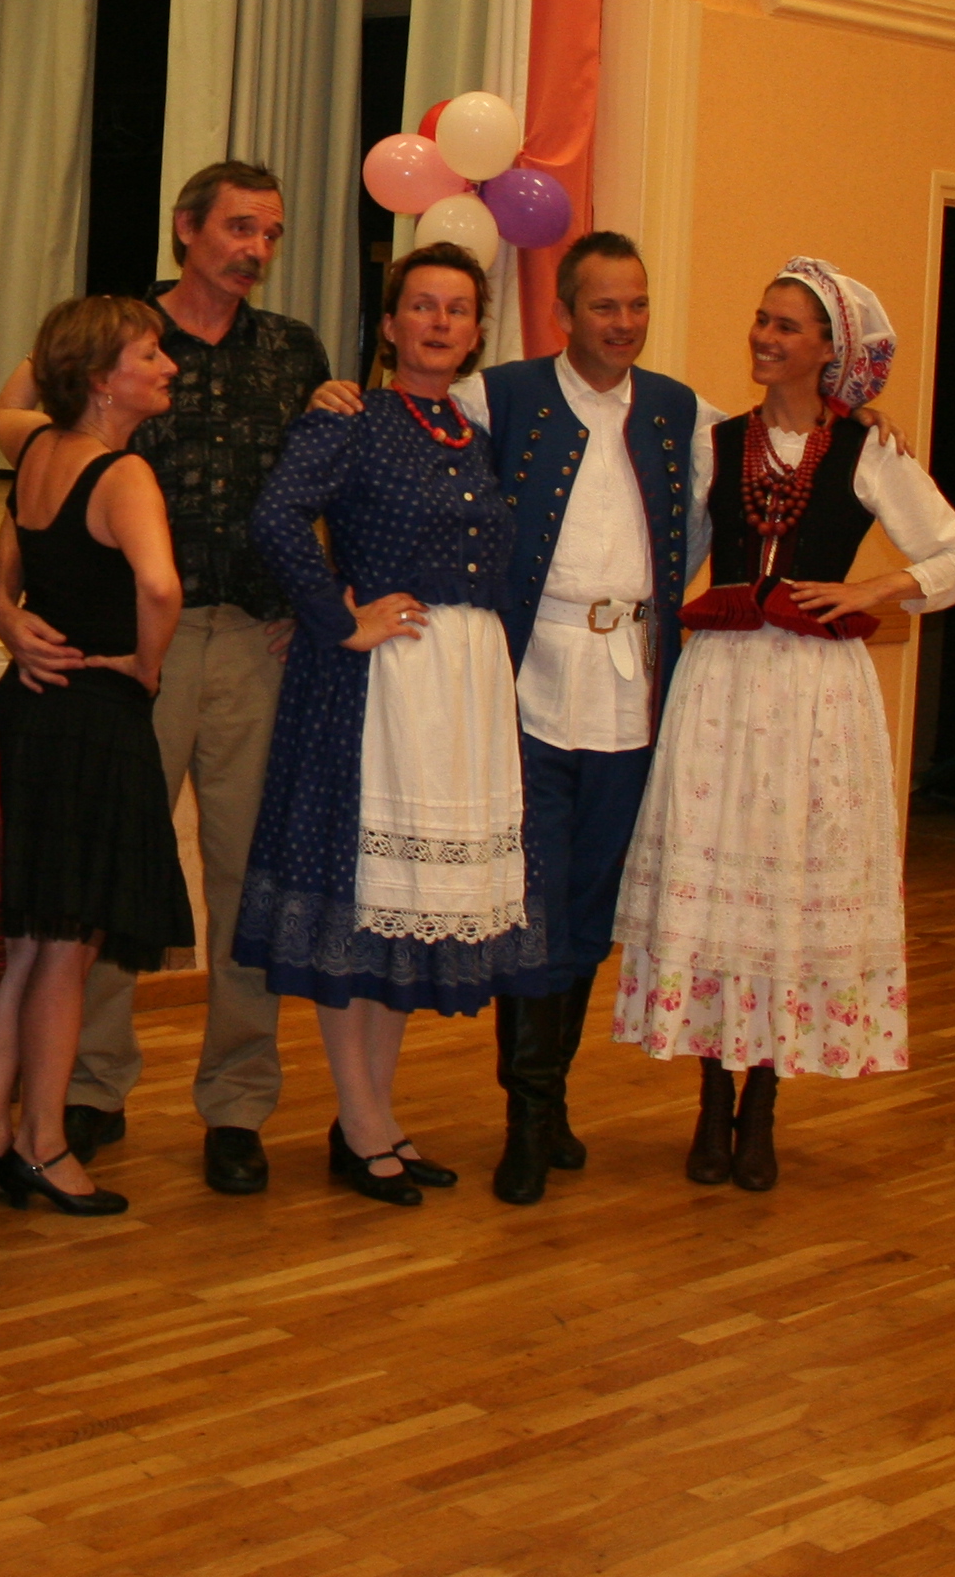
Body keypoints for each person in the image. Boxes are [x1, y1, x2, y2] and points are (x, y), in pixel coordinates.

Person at [611, 258, 955, 1192]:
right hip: (723, 690)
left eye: (786, 326)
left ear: (828, 350)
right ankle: (711, 1100)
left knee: (786, 888)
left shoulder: (868, 451)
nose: (764, 337)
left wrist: (876, 587)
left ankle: (764, 1104)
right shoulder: (717, 441)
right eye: (761, 319)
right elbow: (676, 556)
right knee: (717, 885)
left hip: (817, 696)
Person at [0, 161, 328, 1194]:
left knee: (244, 879)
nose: (255, 249)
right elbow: (20, 418)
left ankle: (236, 1103)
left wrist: (318, 600)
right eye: (238, 228)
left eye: (270, 233)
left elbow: (321, 488)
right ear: (187, 228)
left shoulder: (294, 351)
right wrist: (8, 607)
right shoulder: (126, 337)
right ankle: (89, 1088)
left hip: (257, 642)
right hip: (141, 646)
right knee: (110, 877)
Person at [239, 245, 538, 1207]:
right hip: (383, 687)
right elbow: (277, 517)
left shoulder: (473, 430)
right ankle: (361, 1119)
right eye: (422, 306)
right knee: (366, 904)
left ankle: (373, 1114)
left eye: (458, 309)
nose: (440, 323)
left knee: (411, 908)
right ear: (391, 325)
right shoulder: (351, 418)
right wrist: (337, 617)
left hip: (459, 694)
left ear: (478, 331)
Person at [468, 231, 712, 1206]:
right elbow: (411, 435)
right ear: (564, 311)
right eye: (606, 306)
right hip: (529, 684)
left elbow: (773, 451)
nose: (625, 323)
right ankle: (525, 1122)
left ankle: (552, 1098)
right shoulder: (502, 396)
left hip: (631, 691)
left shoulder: (678, 410)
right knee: (533, 904)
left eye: (638, 304)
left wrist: (858, 416)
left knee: (589, 908)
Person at [0, 296, 191, 1218]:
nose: (169, 367)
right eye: (150, 354)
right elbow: (160, 585)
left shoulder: (33, 450)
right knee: (63, 953)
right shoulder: (123, 472)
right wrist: (146, 665)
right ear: (102, 379)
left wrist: (11, 622)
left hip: (25, 713)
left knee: (20, 945)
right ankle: (45, 1143)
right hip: (93, 718)